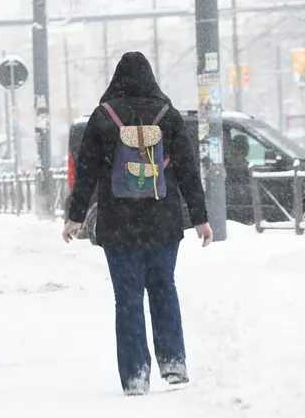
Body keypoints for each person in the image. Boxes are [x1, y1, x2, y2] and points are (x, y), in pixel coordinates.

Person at [62, 52, 213, 396]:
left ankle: (134, 376)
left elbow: (85, 173)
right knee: (163, 289)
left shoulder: (103, 117)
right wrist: (201, 218)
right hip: (163, 220)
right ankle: (173, 362)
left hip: (118, 223)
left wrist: (75, 217)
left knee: (127, 298)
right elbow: (188, 171)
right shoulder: (168, 116)